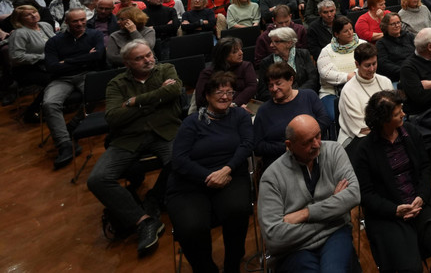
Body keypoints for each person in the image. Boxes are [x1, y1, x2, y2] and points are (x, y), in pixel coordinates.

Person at [87, 41, 181, 256]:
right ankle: (143, 220)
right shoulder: (116, 84)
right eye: (140, 58)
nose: (148, 60)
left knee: (180, 162)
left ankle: (153, 199)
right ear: (127, 63)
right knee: (98, 179)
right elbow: (112, 118)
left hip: (165, 131)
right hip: (128, 138)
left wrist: (133, 102)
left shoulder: (166, 69)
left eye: (149, 54)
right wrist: (157, 97)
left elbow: (174, 90)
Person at [350, 91, 431, 273]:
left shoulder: (411, 132)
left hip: (418, 203)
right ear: (382, 120)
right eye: (397, 113)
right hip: (388, 213)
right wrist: (395, 210)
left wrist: (422, 197)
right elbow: (366, 195)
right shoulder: (364, 150)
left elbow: (425, 167)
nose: (403, 114)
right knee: (409, 268)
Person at [167, 71, 253, 273]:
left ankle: (233, 264)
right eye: (219, 92)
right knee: (191, 228)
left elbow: (247, 144)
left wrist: (227, 169)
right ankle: (205, 269)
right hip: (190, 183)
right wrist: (208, 176)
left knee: (238, 210)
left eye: (229, 92)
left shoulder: (240, 115)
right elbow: (179, 159)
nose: (225, 96)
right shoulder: (191, 122)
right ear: (207, 95)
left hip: (230, 175)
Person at [258, 115, 361, 272]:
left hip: (334, 235)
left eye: (318, 135)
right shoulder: (272, 177)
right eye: (307, 142)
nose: (316, 144)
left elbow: (353, 194)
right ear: (289, 145)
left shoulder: (334, 151)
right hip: (295, 248)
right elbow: (275, 237)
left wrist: (305, 214)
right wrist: (334, 209)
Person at [42, 7, 105, 169]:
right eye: (75, 21)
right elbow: (52, 67)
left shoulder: (95, 34)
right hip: (62, 79)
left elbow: (98, 56)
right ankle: (64, 144)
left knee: (95, 94)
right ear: (67, 22)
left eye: (82, 19)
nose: (80, 23)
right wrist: (85, 57)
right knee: (49, 104)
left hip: (86, 74)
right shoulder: (54, 41)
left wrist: (67, 61)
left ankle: (73, 126)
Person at [253, 63, 330, 165]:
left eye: (278, 83)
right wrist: (288, 147)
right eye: (270, 85)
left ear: (291, 80)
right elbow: (258, 146)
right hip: (280, 162)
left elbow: (324, 120)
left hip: (314, 154)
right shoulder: (263, 110)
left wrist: (307, 140)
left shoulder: (309, 96)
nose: (274, 88)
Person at [7, 4, 54, 123]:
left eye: (34, 12)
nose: (33, 15)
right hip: (26, 69)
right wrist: (42, 57)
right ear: (20, 19)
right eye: (28, 15)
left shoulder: (45, 26)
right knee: (54, 80)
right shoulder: (19, 33)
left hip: (47, 64)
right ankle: (33, 111)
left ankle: (56, 105)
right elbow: (16, 57)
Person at [337, 42, 391, 144]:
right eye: (367, 65)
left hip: (385, 132)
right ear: (357, 64)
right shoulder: (348, 91)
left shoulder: (385, 81)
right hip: (356, 139)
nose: (372, 69)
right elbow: (361, 128)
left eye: (374, 64)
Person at [316, 16, 360, 128]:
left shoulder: (362, 45)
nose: (350, 33)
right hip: (332, 92)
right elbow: (326, 74)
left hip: (359, 87)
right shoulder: (327, 50)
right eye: (346, 31)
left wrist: (355, 74)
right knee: (334, 117)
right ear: (336, 34)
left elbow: (369, 64)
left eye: (351, 29)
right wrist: (348, 77)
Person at [256, 27, 320, 101]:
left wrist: (296, 94)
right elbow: (262, 91)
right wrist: (282, 97)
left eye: (276, 42)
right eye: (271, 42)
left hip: (304, 97)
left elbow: (313, 79)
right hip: (279, 101)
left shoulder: (303, 54)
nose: (271, 45)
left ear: (289, 43)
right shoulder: (266, 62)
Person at [194, 37, 258, 108]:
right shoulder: (208, 73)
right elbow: (200, 100)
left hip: (242, 105)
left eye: (240, 49)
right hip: (215, 110)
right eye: (235, 51)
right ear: (223, 55)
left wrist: (234, 104)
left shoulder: (246, 66)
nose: (241, 53)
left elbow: (252, 87)